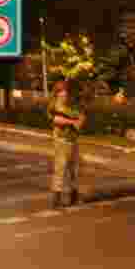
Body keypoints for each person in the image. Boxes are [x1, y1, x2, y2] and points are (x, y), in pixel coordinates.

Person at [46, 80, 86, 209]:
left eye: (66, 93)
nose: (64, 95)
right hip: (61, 140)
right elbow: (56, 120)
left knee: (74, 169)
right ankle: (56, 198)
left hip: (72, 139)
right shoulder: (54, 106)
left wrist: (80, 120)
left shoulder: (71, 105)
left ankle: (73, 194)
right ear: (57, 94)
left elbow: (81, 116)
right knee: (60, 168)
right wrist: (71, 122)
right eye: (62, 93)